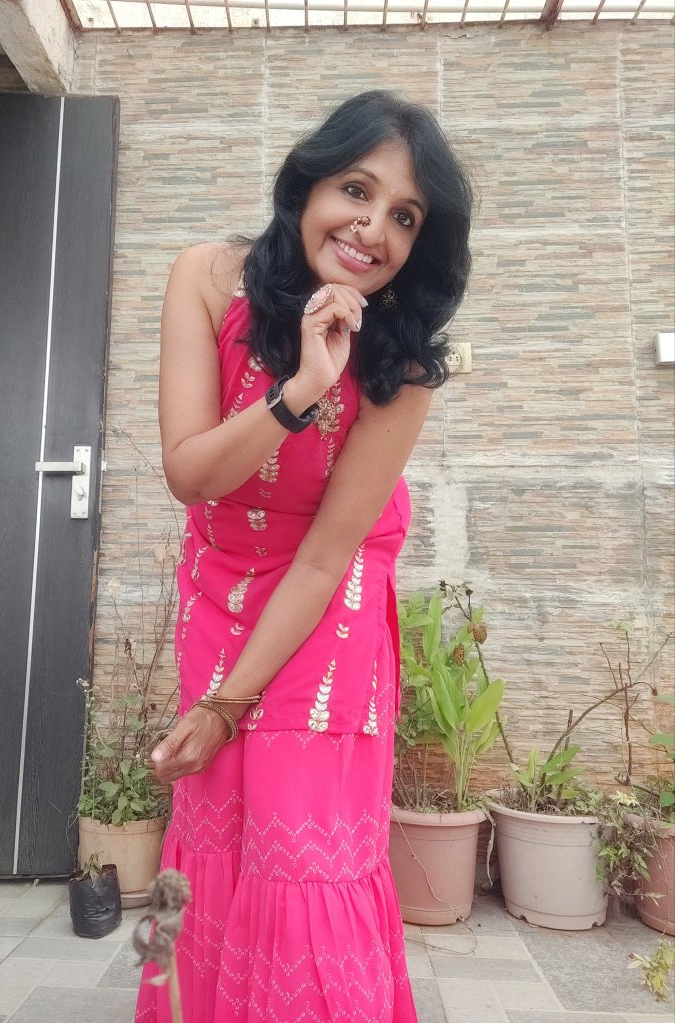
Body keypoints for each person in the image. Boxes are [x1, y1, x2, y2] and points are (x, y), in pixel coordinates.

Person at [134, 90, 473, 1023]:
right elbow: (190, 473)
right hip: (220, 588)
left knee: (297, 853)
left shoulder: (402, 364)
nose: (372, 229)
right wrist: (300, 388)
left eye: (404, 217)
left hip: (330, 613)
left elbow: (327, 558)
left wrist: (228, 704)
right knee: (213, 831)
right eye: (355, 191)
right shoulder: (207, 278)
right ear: (307, 185)